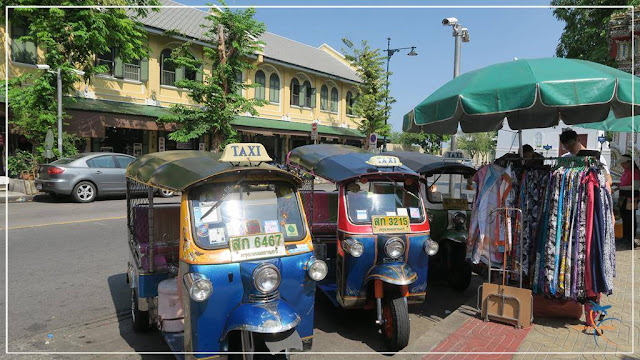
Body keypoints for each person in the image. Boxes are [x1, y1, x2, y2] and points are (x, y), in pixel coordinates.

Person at [615, 154, 639, 246]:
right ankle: (625, 237)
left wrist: (620, 187)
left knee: (630, 218)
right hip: (623, 197)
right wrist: (619, 186)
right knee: (625, 217)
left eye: (623, 163)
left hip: (631, 198)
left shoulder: (635, 172)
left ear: (629, 162)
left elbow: (635, 187)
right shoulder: (627, 171)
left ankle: (630, 238)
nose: (622, 165)